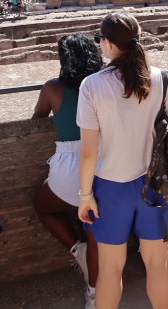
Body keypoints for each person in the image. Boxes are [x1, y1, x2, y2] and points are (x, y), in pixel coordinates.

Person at [77, 12, 168, 309]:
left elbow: (88, 151)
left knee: (110, 268)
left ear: (107, 43)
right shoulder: (160, 78)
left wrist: (85, 196)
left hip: (110, 188)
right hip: (153, 185)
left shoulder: (91, 85)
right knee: (157, 264)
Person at [32, 34, 103, 307]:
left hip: (69, 167)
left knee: (42, 205)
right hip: (102, 162)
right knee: (94, 230)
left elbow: (38, 117)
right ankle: (94, 295)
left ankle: (77, 250)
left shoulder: (52, 88)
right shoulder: (104, 84)